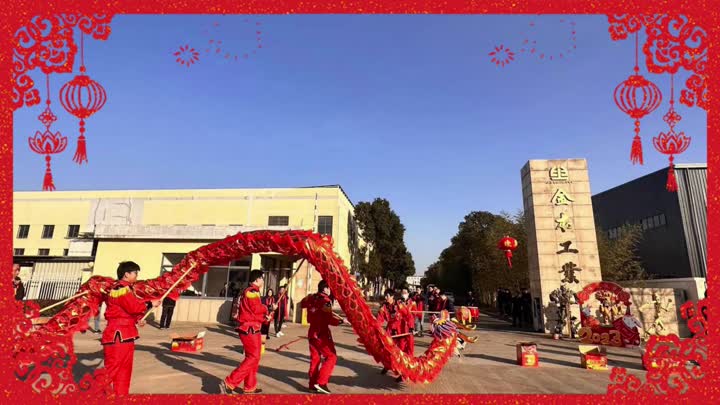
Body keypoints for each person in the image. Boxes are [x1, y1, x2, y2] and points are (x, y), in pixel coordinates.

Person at [101, 261, 161, 396]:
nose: (137, 275)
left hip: (126, 333)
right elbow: (133, 306)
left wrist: (137, 319)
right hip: (117, 333)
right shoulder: (119, 288)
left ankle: (120, 397)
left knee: (124, 369)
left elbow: (126, 311)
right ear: (126, 274)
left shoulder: (127, 289)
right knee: (113, 368)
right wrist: (150, 303)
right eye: (135, 273)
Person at [220, 270, 276, 395]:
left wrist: (266, 317)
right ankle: (230, 382)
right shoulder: (251, 292)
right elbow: (256, 308)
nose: (263, 280)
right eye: (262, 278)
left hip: (253, 328)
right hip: (249, 329)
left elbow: (255, 314)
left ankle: (250, 386)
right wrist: (268, 307)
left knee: (254, 358)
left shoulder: (254, 292)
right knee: (253, 357)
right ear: (256, 279)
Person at [301, 280, 346, 394]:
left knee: (315, 360)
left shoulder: (311, 297)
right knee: (332, 357)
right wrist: (341, 321)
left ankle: (312, 385)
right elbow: (329, 319)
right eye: (329, 288)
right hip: (322, 335)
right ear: (325, 289)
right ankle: (321, 383)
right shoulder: (326, 301)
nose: (330, 290)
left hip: (312, 333)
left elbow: (302, 304)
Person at [377, 288, 415, 382]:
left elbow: (408, 316)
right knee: (387, 350)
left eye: (387, 296)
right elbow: (379, 320)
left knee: (402, 353)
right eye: (385, 296)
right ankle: (387, 366)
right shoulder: (383, 308)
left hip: (401, 331)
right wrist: (375, 328)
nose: (386, 298)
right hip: (390, 332)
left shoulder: (400, 305)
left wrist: (411, 328)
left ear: (392, 296)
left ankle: (403, 374)